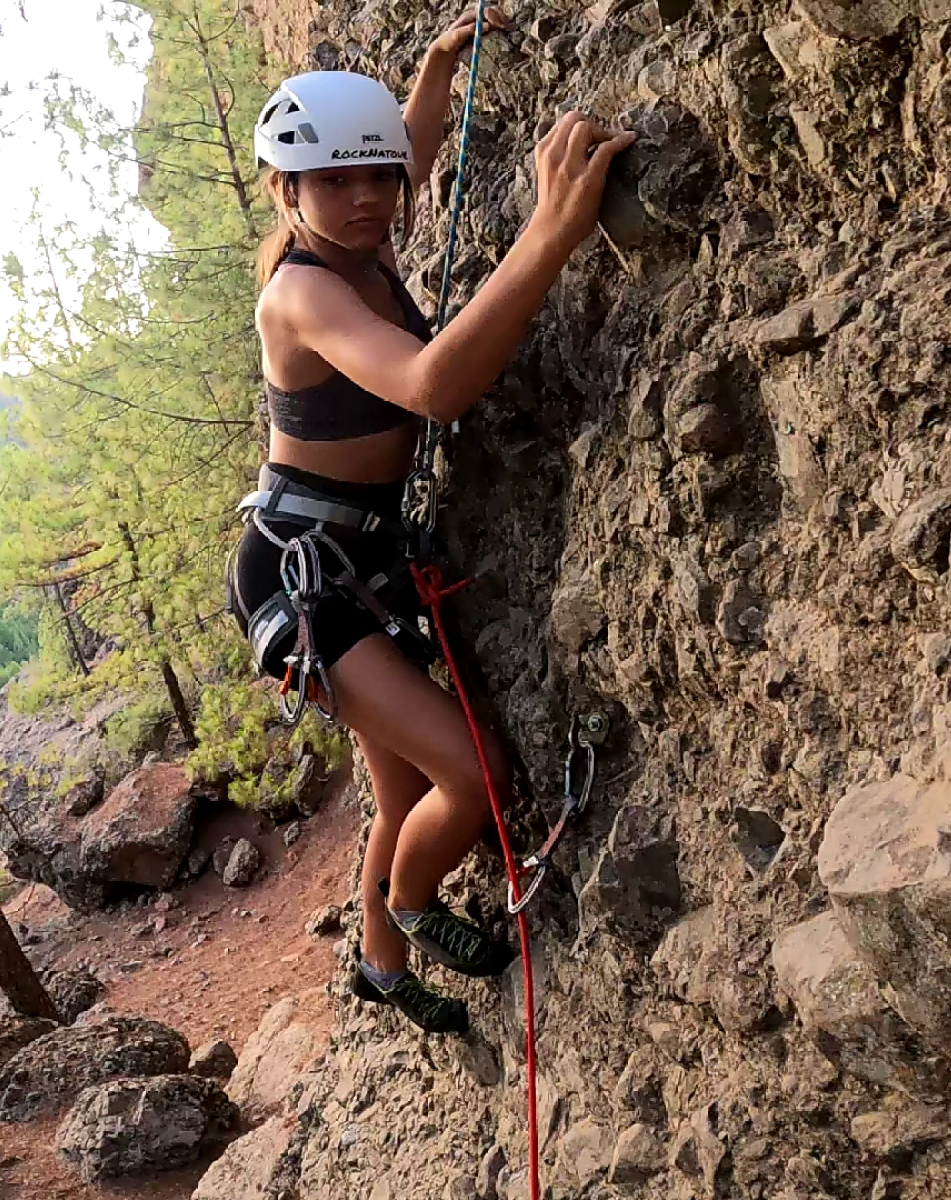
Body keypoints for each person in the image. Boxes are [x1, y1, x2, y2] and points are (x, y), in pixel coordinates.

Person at [228, 9, 637, 1035]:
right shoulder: (303, 294)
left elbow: (400, 153)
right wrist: (548, 235)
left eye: (379, 180)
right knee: (474, 774)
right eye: (334, 183)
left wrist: (434, 73)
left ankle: (376, 967)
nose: (368, 199)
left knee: (403, 777)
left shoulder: (356, 224)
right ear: (289, 191)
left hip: (349, 558)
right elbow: (428, 384)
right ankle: (408, 907)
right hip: (304, 580)